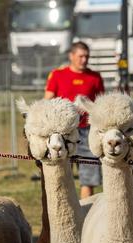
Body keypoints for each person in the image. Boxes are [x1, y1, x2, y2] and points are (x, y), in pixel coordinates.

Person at [45, 41, 105, 199]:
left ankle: (85, 211)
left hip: (87, 132)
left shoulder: (95, 78)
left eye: (87, 56)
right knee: (62, 174)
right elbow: (47, 101)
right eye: (81, 56)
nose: (84, 60)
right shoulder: (58, 75)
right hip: (64, 133)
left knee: (89, 178)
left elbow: (99, 104)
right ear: (71, 56)